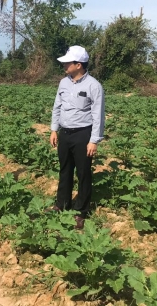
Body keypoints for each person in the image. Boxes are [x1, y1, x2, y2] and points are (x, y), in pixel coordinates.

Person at [49, 45, 105, 229]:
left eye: (68, 63)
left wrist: (93, 140)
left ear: (79, 65)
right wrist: (54, 129)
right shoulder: (63, 83)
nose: (64, 65)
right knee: (65, 170)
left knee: (83, 173)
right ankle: (62, 204)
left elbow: (98, 115)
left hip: (83, 134)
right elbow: (57, 106)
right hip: (65, 133)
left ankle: (81, 211)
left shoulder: (94, 86)